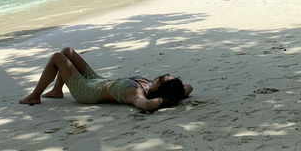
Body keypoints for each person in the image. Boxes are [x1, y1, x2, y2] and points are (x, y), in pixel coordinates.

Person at [19, 47, 193, 112]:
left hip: (87, 90)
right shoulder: (151, 87)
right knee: (67, 51)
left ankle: (35, 95)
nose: (159, 76)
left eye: (161, 79)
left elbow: (146, 106)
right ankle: (57, 91)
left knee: (58, 56)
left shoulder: (136, 94)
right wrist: (174, 96)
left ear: (159, 89)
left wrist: (163, 100)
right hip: (97, 80)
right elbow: (188, 88)